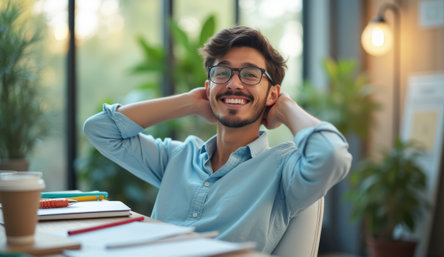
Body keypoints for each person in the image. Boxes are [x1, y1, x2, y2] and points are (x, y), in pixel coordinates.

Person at [84, 25, 352, 253]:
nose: (234, 84)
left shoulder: (284, 171)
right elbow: (100, 130)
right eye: (222, 73)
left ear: (272, 94)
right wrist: (189, 102)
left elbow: (333, 155)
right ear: (208, 87)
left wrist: (286, 108)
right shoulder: (177, 157)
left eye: (250, 74)